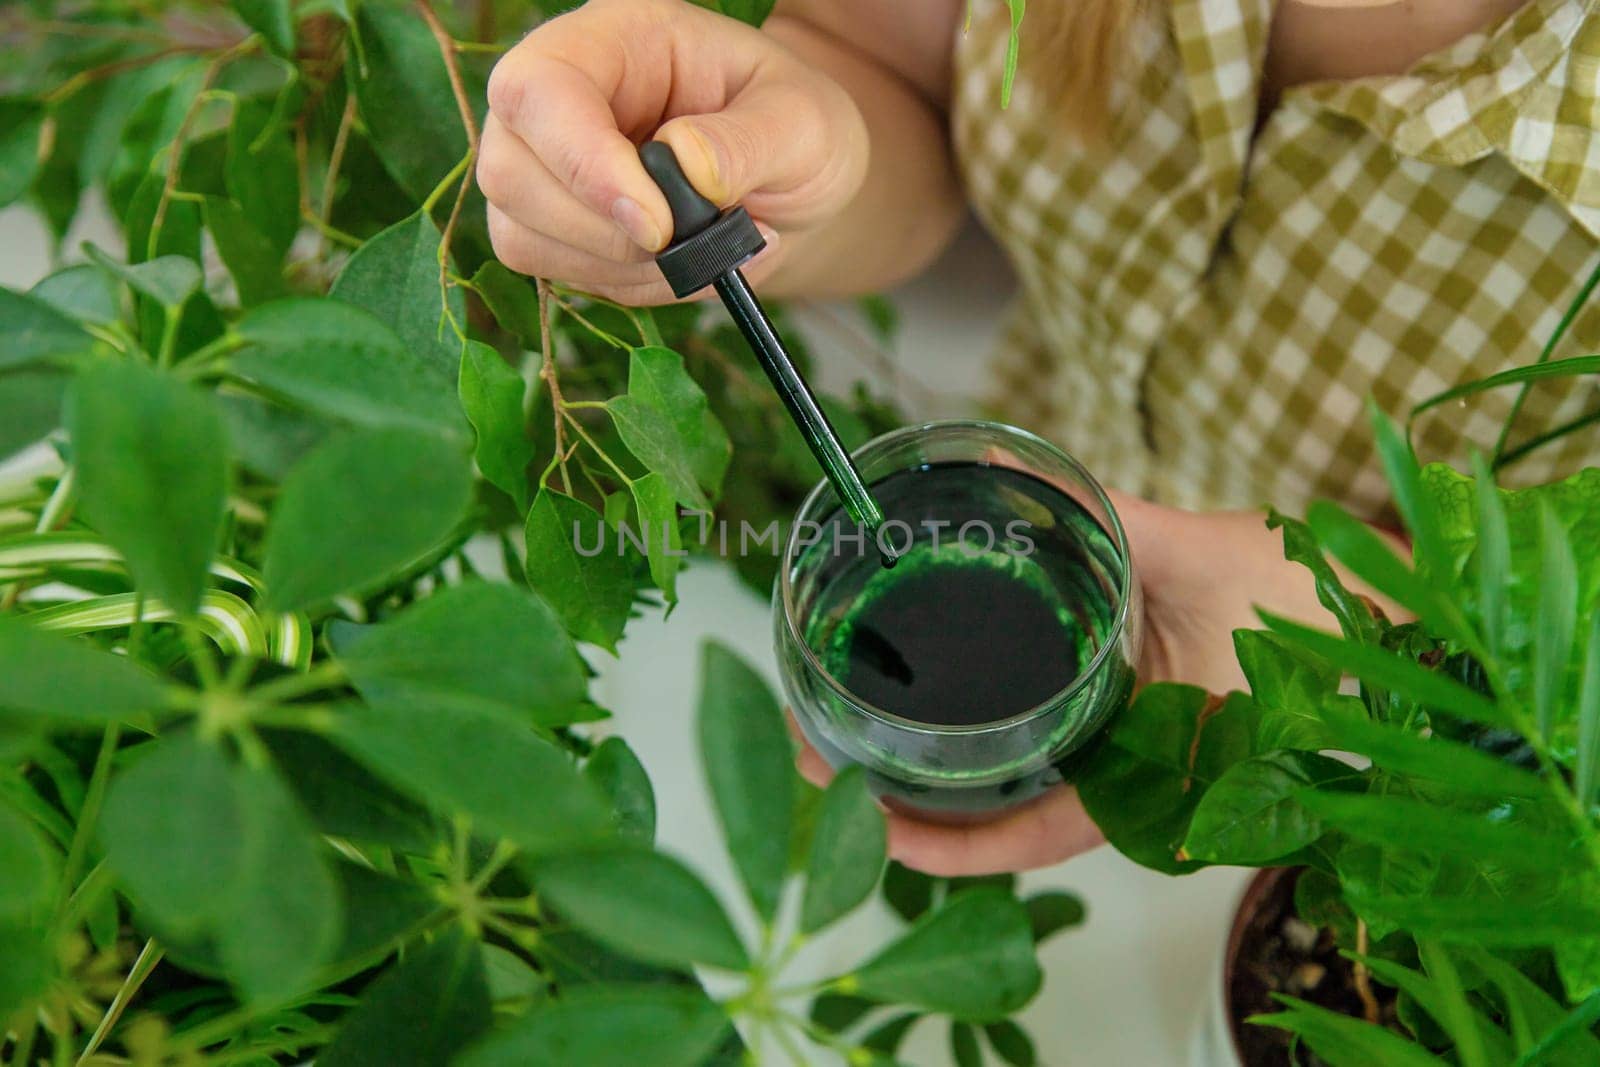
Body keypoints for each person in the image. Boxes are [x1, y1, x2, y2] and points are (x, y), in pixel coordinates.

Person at [477, 0, 1600, 874]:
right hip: (1045, 517)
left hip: (1401, 831)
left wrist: (1371, 622)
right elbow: (898, 86)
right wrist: (772, 178)